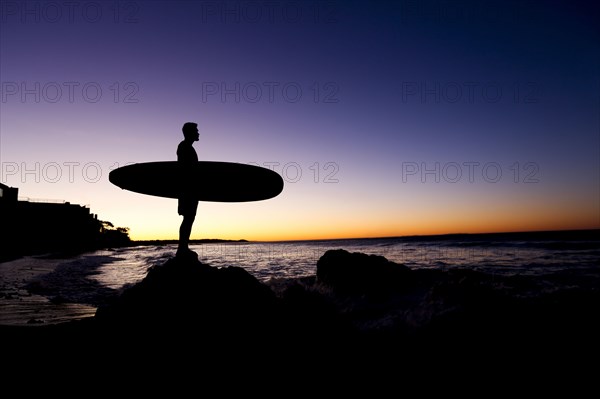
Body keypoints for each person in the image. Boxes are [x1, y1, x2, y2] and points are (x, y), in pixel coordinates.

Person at [177, 122, 200, 257]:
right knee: (188, 218)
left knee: (189, 218)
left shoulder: (187, 147)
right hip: (187, 189)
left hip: (190, 189)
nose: (198, 133)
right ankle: (182, 248)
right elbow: (185, 171)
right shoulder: (184, 147)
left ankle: (183, 247)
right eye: (196, 130)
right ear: (189, 132)